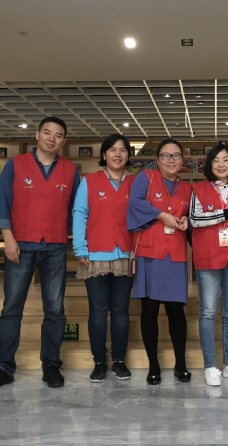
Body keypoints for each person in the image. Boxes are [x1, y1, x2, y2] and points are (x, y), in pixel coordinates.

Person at [0, 116, 79, 391]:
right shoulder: (15, 164)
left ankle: (51, 364)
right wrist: (8, 239)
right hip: (20, 246)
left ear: (63, 141)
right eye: (47, 132)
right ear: (37, 135)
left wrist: (77, 238)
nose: (51, 138)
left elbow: (75, 208)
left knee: (55, 309)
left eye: (58, 135)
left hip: (55, 247)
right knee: (12, 308)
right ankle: (3, 366)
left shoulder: (70, 170)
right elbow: (1, 203)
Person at [127, 139, 193, 385]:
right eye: (166, 155)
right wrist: (162, 215)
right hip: (149, 253)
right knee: (150, 308)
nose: (171, 160)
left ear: (182, 160)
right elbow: (135, 203)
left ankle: (180, 363)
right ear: (157, 160)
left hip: (175, 254)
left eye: (176, 155)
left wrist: (186, 222)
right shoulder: (146, 177)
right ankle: (153, 365)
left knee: (176, 310)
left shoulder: (187, 188)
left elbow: (190, 217)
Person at [72, 134, 134, 383]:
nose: (118, 154)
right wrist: (80, 247)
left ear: (128, 155)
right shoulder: (89, 181)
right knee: (98, 311)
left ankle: (119, 360)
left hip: (126, 254)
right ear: (104, 154)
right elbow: (79, 213)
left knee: (120, 310)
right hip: (95, 254)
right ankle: (99, 361)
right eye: (112, 150)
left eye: (123, 150)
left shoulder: (136, 182)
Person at [190, 144, 228, 387]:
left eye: (226, 160)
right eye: (216, 160)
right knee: (207, 312)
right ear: (209, 165)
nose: (221, 164)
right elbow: (195, 218)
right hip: (208, 257)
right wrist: (226, 214)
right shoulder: (198, 189)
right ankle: (210, 366)